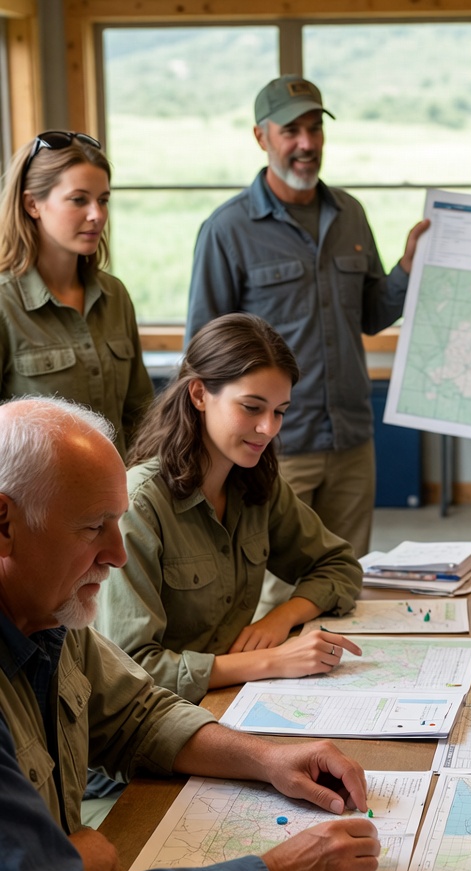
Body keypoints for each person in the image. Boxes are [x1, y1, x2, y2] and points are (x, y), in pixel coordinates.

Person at [0, 396, 380, 871]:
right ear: (4, 523)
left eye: (117, 521)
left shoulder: (49, 612)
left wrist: (266, 758)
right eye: (91, 528)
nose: (117, 554)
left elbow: (137, 714)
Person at [186, 76, 429, 558]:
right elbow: (203, 351)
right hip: (273, 446)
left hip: (352, 439)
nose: (306, 143)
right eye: (291, 130)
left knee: (346, 579)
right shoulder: (226, 229)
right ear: (262, 137)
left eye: (315, 128)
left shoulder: (350, 214)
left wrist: (406, 268)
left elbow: (374, 313)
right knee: (275, 591)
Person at [95, 313, 363, 705]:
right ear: (199, 394)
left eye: (279, 411)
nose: (269, 429)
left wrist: (282, 617)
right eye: (252, 407)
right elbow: (132, 668)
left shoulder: (256, 484)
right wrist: (269, 661)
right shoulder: (140, 504)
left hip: (228, 699)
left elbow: (339, 564)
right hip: (153, 722)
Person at [0, 131, 153, 457]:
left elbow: (140, 417)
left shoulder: (115, 295)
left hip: (121, 500)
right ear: (33, 204)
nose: (97, 214)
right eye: (79, 199)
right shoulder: (5, 305)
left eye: (103, 200)